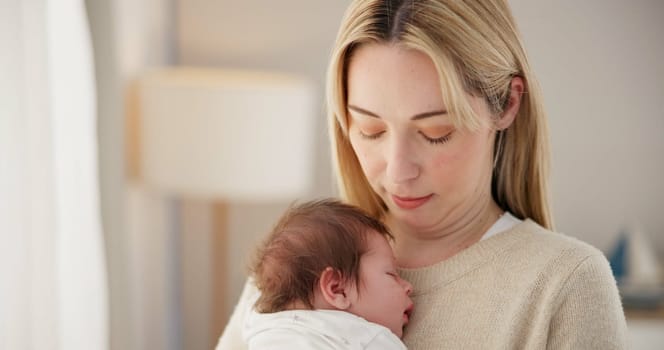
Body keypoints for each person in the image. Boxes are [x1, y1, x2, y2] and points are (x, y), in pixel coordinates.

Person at [218, 0, 628, 348]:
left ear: (506, 105)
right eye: (370, 130)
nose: (398, 172)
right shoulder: (302, 264)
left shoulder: (565, 285)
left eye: (436, 133)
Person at [242, 199, 413, 349]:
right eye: (391, 274)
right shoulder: (367, 338)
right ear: (337, 289)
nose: (408, 286)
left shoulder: (261, 327)